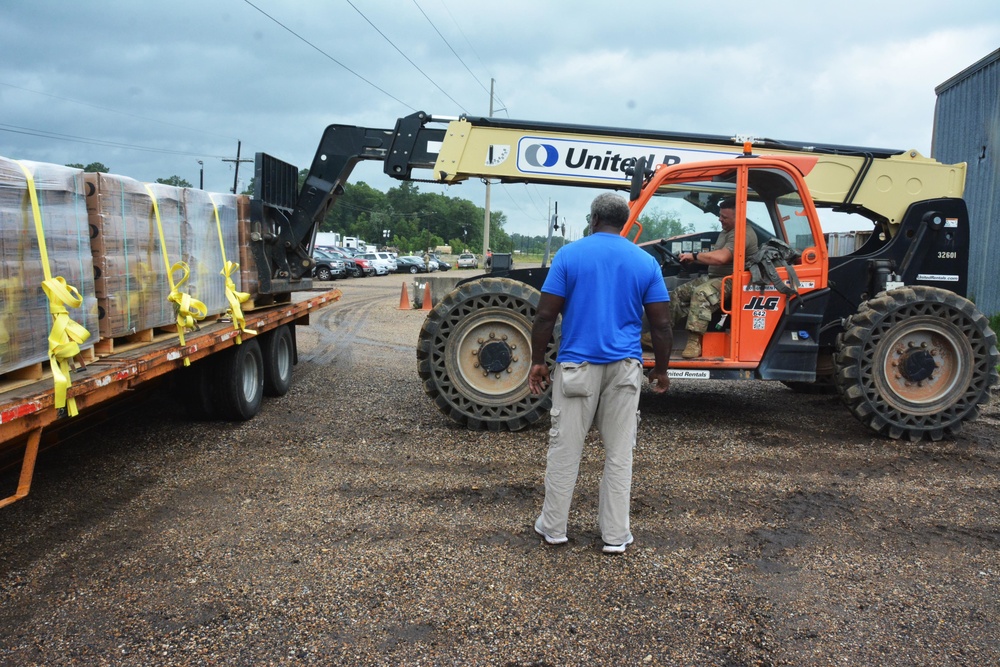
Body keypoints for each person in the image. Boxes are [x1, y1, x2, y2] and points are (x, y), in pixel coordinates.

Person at [528, 192, 673, 554]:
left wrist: (538, 360)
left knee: (565, 451)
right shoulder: (645, 262)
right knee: (620, 454)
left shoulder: (569, 256)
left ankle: (554, 528)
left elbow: (545, 316)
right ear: (624, 223)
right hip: (625, 369)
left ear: (592, 220)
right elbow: (662, 324)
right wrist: (662, 370)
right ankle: (614, 535)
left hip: (577, 366)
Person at [672, 197, 758, 358]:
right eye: (720, 216)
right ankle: (661, 335)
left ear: (738, 217)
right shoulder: (727, 231)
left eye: (724, 217)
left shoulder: (743, 233)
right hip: (715, 276)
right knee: (677, 294)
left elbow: (721, 258)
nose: (720, 219)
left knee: (701, 293)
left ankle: (694, 343)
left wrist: (695, 255)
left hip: (733, 280)